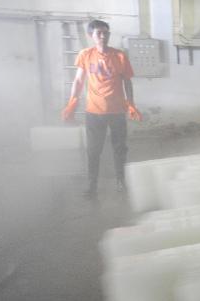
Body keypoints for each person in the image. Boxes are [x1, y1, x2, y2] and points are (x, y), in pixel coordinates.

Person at [61, 20, 142, 197]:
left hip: (117, 112)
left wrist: (131, 103)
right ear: (91, 35)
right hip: (94, 112)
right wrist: (72, 102)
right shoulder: (86, 55)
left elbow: (127, 81)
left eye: (106, 33)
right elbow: (78, 80)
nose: (103, 36)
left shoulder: (119, 56)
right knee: (93, 150)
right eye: (99, 33)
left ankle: (121, 181)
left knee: (119, 148)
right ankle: (92, 186)